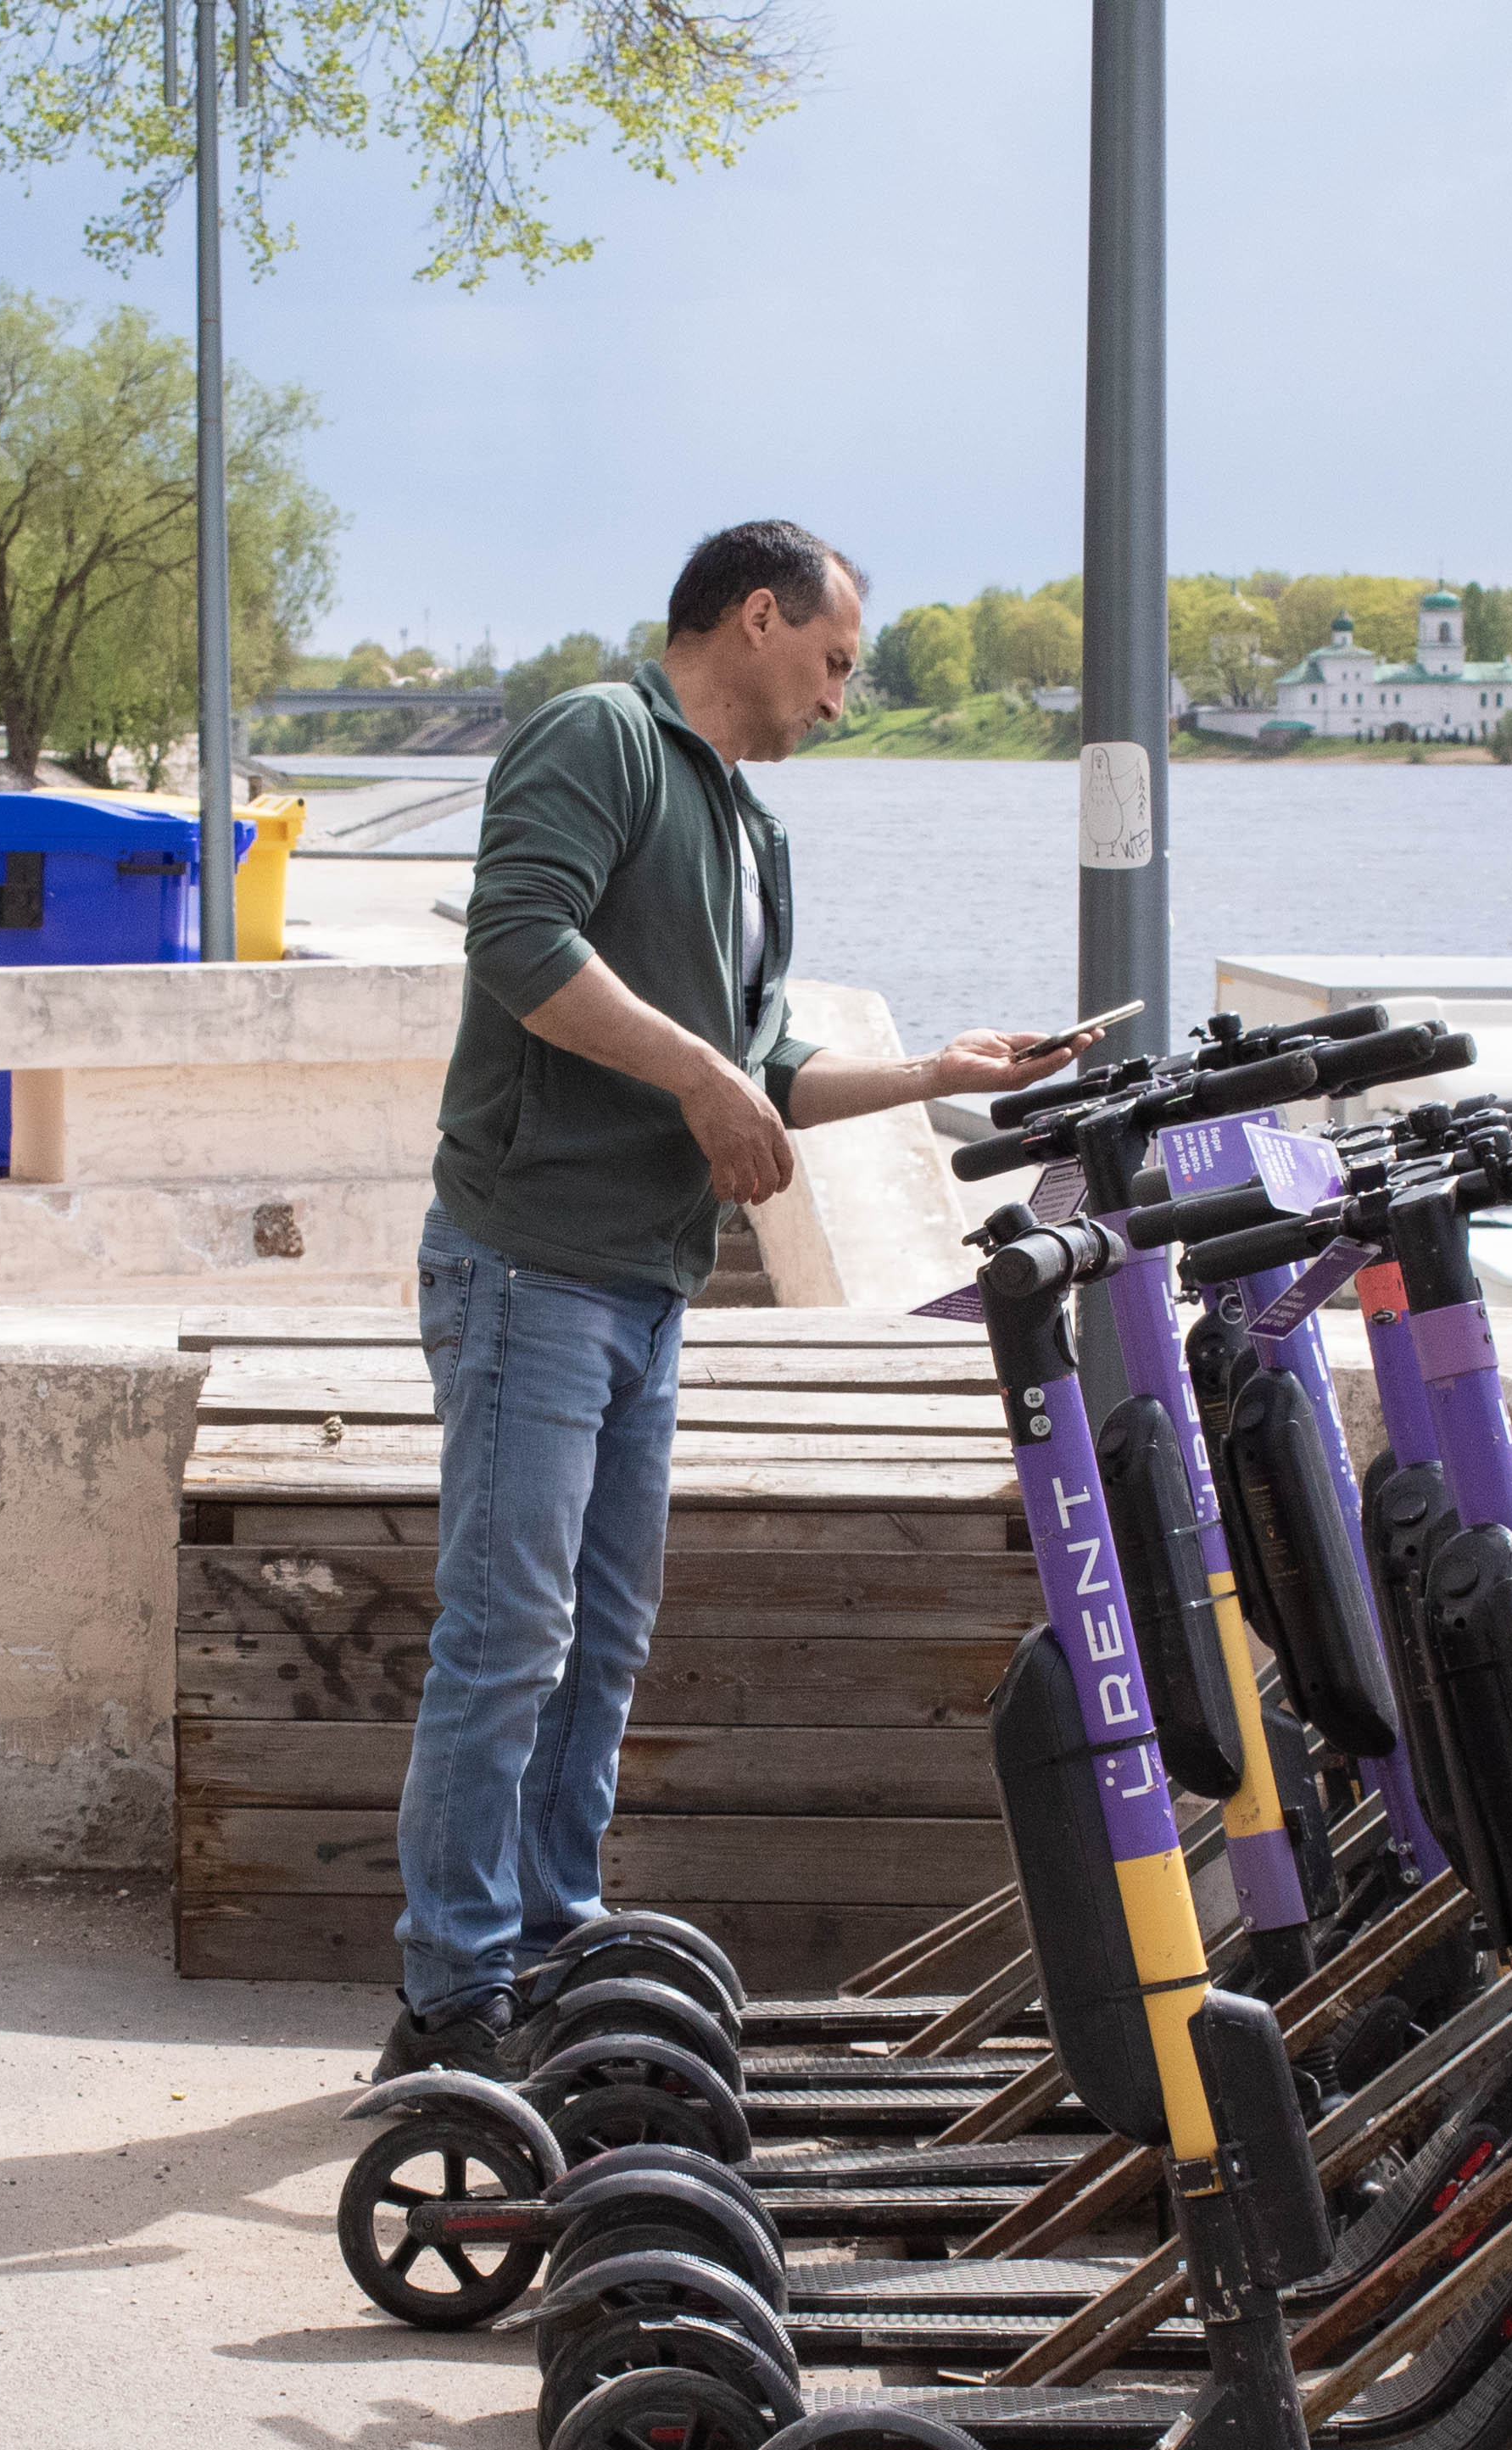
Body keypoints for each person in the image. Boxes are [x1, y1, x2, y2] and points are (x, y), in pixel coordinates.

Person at [379, 521, 1078, 2079]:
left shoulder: (753, 841)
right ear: (755, 619)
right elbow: (517, 943)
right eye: (834, 662)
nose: (842, 699)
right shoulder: (602, 737)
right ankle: (450, 1995)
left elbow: (764, 1075)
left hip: (645, 1285)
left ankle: (554, 1944)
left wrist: (939, 1075)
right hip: (529, 1266)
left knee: (604, 1639)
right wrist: (696, 1075)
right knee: (509, 1634)